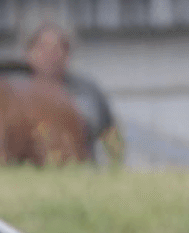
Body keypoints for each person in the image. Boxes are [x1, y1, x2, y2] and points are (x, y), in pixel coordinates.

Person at [22, 18, 123, 163]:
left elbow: (111, 135)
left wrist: (115, 169)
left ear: (67, 54)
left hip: (81, 173)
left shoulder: (87, 91)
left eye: (57, 49)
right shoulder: (17, 92)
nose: (50, 56)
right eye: (42, 48)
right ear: (28, 53)